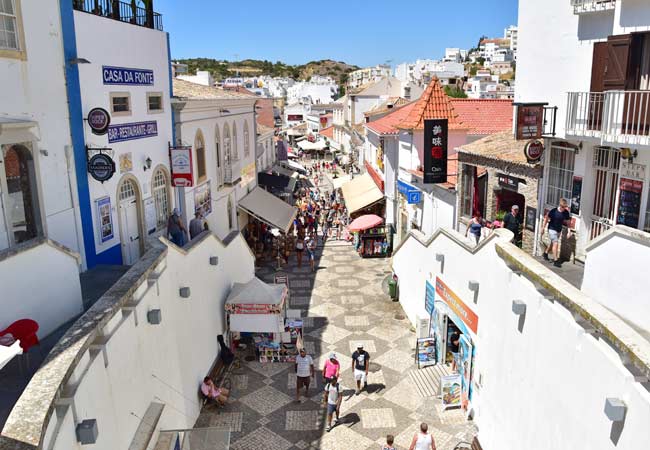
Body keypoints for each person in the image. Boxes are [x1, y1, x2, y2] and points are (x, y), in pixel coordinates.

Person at [542, 198, 572, 267]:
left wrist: (569, 231)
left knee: (553, 244)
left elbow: (568, 223)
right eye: (563, 207)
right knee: (556, 243)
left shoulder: (566, 212)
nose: (564, 208)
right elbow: (546, 219)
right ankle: (556, 260)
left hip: (558, 230)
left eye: (565, 207)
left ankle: (545, 253)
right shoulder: (553, 211)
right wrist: (543, 228)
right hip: (551, 229)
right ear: (560, 206)